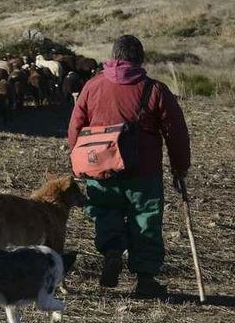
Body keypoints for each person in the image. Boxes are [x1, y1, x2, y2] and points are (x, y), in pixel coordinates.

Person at [68, 35, 190, 297]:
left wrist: (77, 158)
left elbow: (75, 127)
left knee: (104, 211)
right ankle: (145, 279)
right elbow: (176, 133)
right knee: (145, 219)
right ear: (140, 59)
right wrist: (180, 167)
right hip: (143, 171)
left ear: (113, 57)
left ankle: (112, 250)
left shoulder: (92, 85)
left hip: (101, 166)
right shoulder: (155, 89)